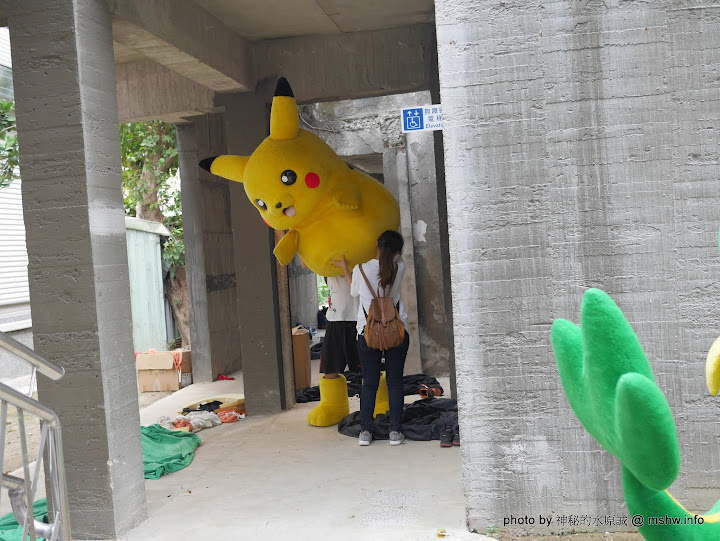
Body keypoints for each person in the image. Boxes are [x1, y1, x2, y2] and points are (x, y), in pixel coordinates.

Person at [333, 230, 410, 446]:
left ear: (377, 245)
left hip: (368, 333)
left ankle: (365, 433)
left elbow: (354, 292)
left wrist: (346, 269)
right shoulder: (399, 268)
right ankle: (395, 433)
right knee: (395, 383)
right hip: (396, 332)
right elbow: (396, 259)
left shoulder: (360, 269)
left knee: (369, 384)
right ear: (396, 252)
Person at [306, 275, 361, 427]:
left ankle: (379, 404)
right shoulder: (327, 266)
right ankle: (334, 407)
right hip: (335, 320)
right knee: (330, 367)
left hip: (359, 319)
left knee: (371, 367)